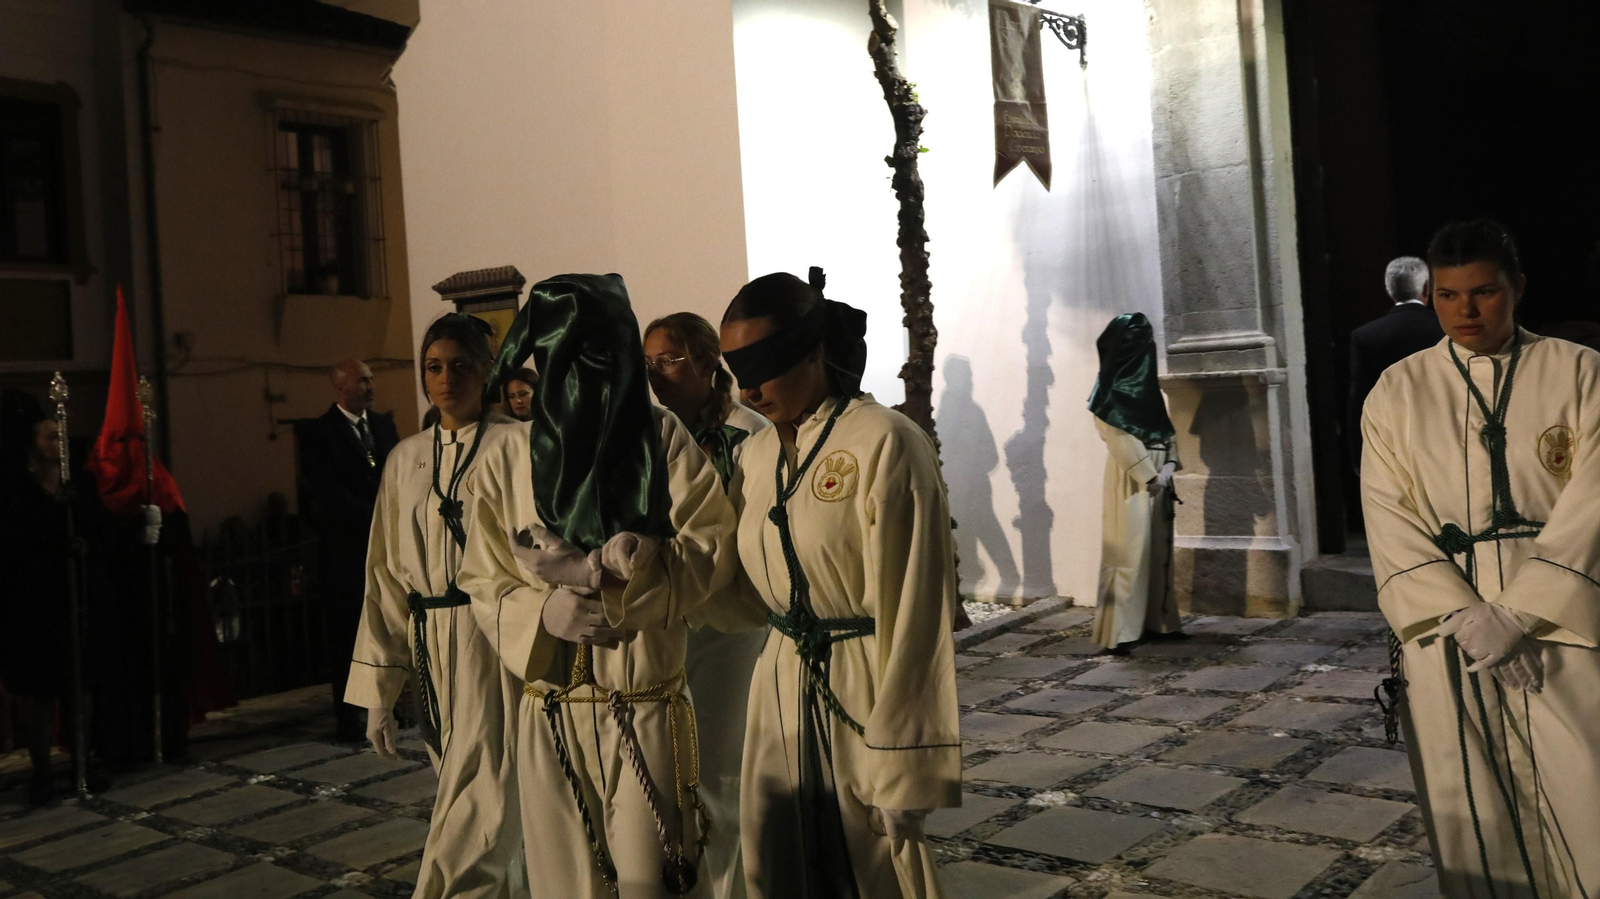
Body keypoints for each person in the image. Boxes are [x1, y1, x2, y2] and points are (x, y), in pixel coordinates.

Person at [459, 273, 737, 899]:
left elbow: (713, 547)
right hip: (550, 708)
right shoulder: (506, 458)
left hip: (643, 700)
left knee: (651, 879)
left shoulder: (661, 438)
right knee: (565, 884)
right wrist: (542, 610)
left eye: (609, 355)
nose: (595, 375)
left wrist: (644, 564)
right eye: (576, 358)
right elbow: (482, 574)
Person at [1361, 219, 1598, 896]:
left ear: (1517, 288)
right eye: (1447, 294)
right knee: (1477, 813)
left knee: (1584, 790)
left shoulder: (1580, 373)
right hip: (1450, 634)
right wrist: (1466, 615)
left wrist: (1520, 611)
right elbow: (1388, 514)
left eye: (1485, 291)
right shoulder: (1397, 393)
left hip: (1561, 628)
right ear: (1430, 295)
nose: (1465, 309)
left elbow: (1594, 502)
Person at [718, 272, 960, 899]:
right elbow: (741, 588)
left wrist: (905, 760)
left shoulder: (886, 441)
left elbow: (916, 612)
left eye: (764, 364)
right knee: (779, 866)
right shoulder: (757, 453)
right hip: (778, 685)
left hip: (860, 684)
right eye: (736, 368)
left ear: (814, 351)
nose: (749, 387)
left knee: (868, 872)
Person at [345, 314, 528, 899]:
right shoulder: (405, 459)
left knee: (484, 784)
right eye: (434, 367)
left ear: (487, 371)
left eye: (460, 365)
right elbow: (384, 573)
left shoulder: (516, 446)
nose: (446, 378)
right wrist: (379, 687)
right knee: (457, 777)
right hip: (429, 639)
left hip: (490, 633)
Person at [643, 312, 771, 899]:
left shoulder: (749, 434)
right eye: (647, 364)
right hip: (673, 620)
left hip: (732, 619)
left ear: (705, 359)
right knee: (675, 769)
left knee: (721, 766)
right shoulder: (653, 435)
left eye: (667, 360)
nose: (656, 375)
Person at [0, 390, 112, 803]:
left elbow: (95, 530)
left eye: (60, 436)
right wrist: (53, 522)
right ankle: (43, 773)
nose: (58, 442)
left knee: (79, 689)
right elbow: (17, 543)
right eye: (50, 437)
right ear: (32, 448)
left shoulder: (76, 486)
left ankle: (82, 762)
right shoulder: (18, 492)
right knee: (41, 695)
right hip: (35, 606)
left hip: (74, 602)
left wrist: (83, 543)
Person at [300, 358, 399, 741]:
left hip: (386, 549)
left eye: (372, 380)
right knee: (348, 634)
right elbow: (325, 493)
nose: (371, 387)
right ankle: (349, 715)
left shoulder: (383, 426)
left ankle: (385, 704)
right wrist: (373, 517)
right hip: (346, 551)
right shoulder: (319, 434)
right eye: (363, 381)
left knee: (387, 627)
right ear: (340, 387)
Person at [1088, 313, 1182, 654]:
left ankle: (1158, 621)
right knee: (1128, 551)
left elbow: (1165, 428)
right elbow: (1118, 438)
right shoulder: (1107, 393)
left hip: (1158, 475)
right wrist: (1150, 473)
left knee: (1157, 551)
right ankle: (1120, 632)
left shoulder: (1147, 391)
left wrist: (1171, 462)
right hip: (1132, 481)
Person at [1348, 256, 1443, 464]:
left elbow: (1359, 402)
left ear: (1388, 290)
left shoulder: (1365, 336)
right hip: (1444, 441)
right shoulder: (1448, 330)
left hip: (1391, 446)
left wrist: (1358, 458)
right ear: (1427, 287)